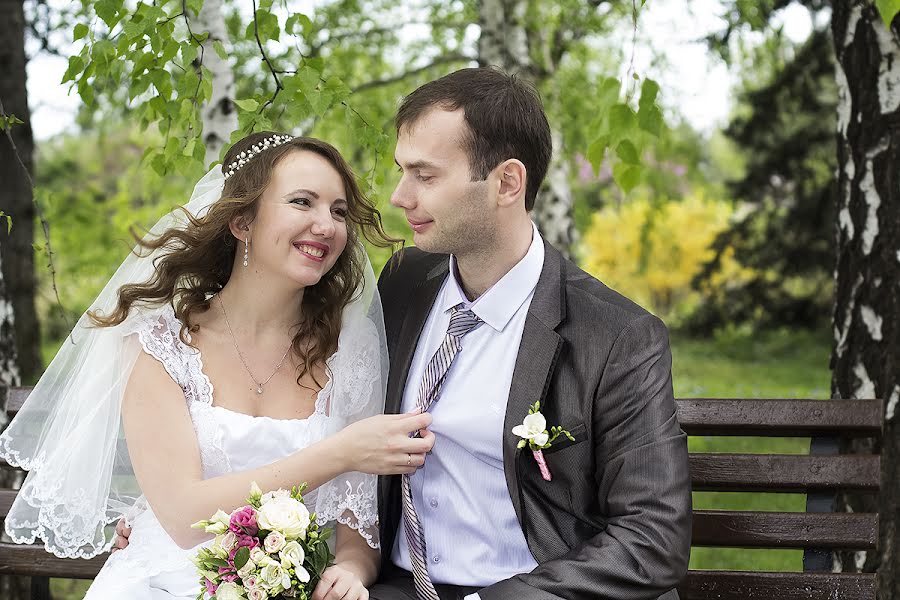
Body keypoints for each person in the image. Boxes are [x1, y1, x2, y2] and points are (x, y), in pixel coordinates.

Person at [0, 134, 435, 600]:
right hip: (159, 583)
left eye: (338, 211)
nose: (325, 225)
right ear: (242, 222)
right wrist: (341, 452)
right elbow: (186, 515)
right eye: (302, 202)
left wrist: (350, 570)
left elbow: (358, 527)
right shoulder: (161, 343)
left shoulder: (353, 351)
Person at [370, 67, 692, 600]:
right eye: (403, 171)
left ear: (506, 182)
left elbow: (652, 537)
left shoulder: (616, 336)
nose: (400, 195)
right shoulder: (403, 283)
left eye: (425, 176)